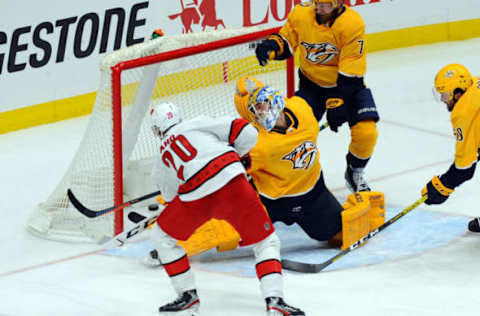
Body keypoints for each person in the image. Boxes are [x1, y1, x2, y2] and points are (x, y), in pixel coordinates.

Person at [147, 102, 305, 315]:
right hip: (232, 183)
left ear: (157, 129)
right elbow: (246, 131)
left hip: (196, 197)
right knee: (266, 241)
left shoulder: (161, 154)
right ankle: (275, 301)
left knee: (161, 237)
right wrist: (236, 155)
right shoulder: (197, 122)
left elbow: (169, 195)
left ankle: (187, 297)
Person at [234, 76, 385, 248]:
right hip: (267, 201)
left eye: (263, 103)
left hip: (312, 196)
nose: (263, 111)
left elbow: (324, 88)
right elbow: (229, 171)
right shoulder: (251, 142)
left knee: (334, 231)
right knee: (231, 233)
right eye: (256, 110)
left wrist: (344, 102)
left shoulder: (302, 109)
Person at [254, 0, 379, 193]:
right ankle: (282, 174)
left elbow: (351, 70)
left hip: (347, 85)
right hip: (311, 86)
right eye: (317, 2)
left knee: (367, 133)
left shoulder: (352, 24)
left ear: (338, 4)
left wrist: (338, 103)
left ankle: (355, 171)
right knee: (288, 127)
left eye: (326, 4)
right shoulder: (301, 14)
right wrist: (272, 47)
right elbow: (287, 40)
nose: (319, 8)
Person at [423, 64, 480, 233]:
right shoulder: (475, 82)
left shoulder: (462, 112)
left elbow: (465, 168)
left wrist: (443, 186)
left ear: (458, 93)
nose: (444, 100)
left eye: (446, 95)